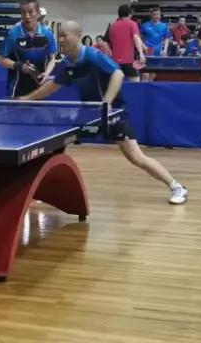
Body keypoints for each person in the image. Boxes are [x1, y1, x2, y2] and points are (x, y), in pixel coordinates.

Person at [20, 21, 188, 206]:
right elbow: (52, 87)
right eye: (59, 36)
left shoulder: (92, 56)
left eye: (65, 35)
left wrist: (106, 104)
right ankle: (43, 190)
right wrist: (27, 98)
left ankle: (176, 186)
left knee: (136, 157)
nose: (60, 40)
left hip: (113, 114)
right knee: (54, 146)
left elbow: (118, 74)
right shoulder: (68, 63)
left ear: (78, 36)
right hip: (88, 115)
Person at [0, 0, 57, 98]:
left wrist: (47, 73)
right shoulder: (13, 34)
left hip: (40, 88)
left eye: (30, 12)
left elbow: (52, 59)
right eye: (23, 13)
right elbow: (2, 60)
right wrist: (20, 66)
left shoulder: (47, 34)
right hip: (17, 88)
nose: (27, 16)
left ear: (38, 13)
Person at [107, 4, 147, 82]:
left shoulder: (112, 26)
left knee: (117, 85)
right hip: (129, 61)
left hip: (115, 61)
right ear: (129, 14)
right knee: (135, 84)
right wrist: (141, 54)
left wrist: (143, 45)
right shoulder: (132, 24)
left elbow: (110, 42)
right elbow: (136, 37)